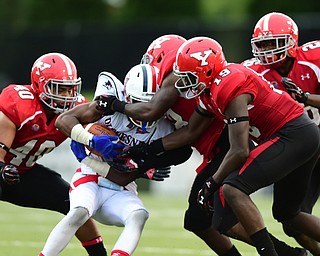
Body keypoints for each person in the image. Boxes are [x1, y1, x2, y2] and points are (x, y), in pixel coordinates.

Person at [97, 35, 308, 256]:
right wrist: (145, 157)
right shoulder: (185, 89)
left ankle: (289, 254)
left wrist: (114, 105)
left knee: (217, 219)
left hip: (226, 146)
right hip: (216, 148)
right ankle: (289, 253)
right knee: (199, 221)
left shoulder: (175, 80)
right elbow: (183, 146)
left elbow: (154, 112)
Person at [39, 63, 192, 256]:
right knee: (79, 212)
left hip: (121, 187)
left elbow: (124, 178)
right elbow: (64, 121)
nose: (145, 112)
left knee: (139, 216)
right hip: (90, 179)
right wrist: (90, 140)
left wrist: (143, 166)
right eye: (138, 103)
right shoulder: (108, 109)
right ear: (127, 98)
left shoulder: (164, 128)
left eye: (150, 104)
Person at [0, 52, 122, 256]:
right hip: (4, 167)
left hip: (22, 172)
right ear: (39, 86)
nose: (66, 96)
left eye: (69, 89)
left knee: (74, 203)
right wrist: (2, 169)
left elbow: (101, 135)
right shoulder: (18, 102)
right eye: (59, 89)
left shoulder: (77, 108)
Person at [242, 12, 320, 255]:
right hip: (302, 151)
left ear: (292, 41)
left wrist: (306, 98)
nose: (266, 50)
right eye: (262, 44)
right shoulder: (253, 72)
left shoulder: (314, 59)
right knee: (292, 222)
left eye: (273, 42)